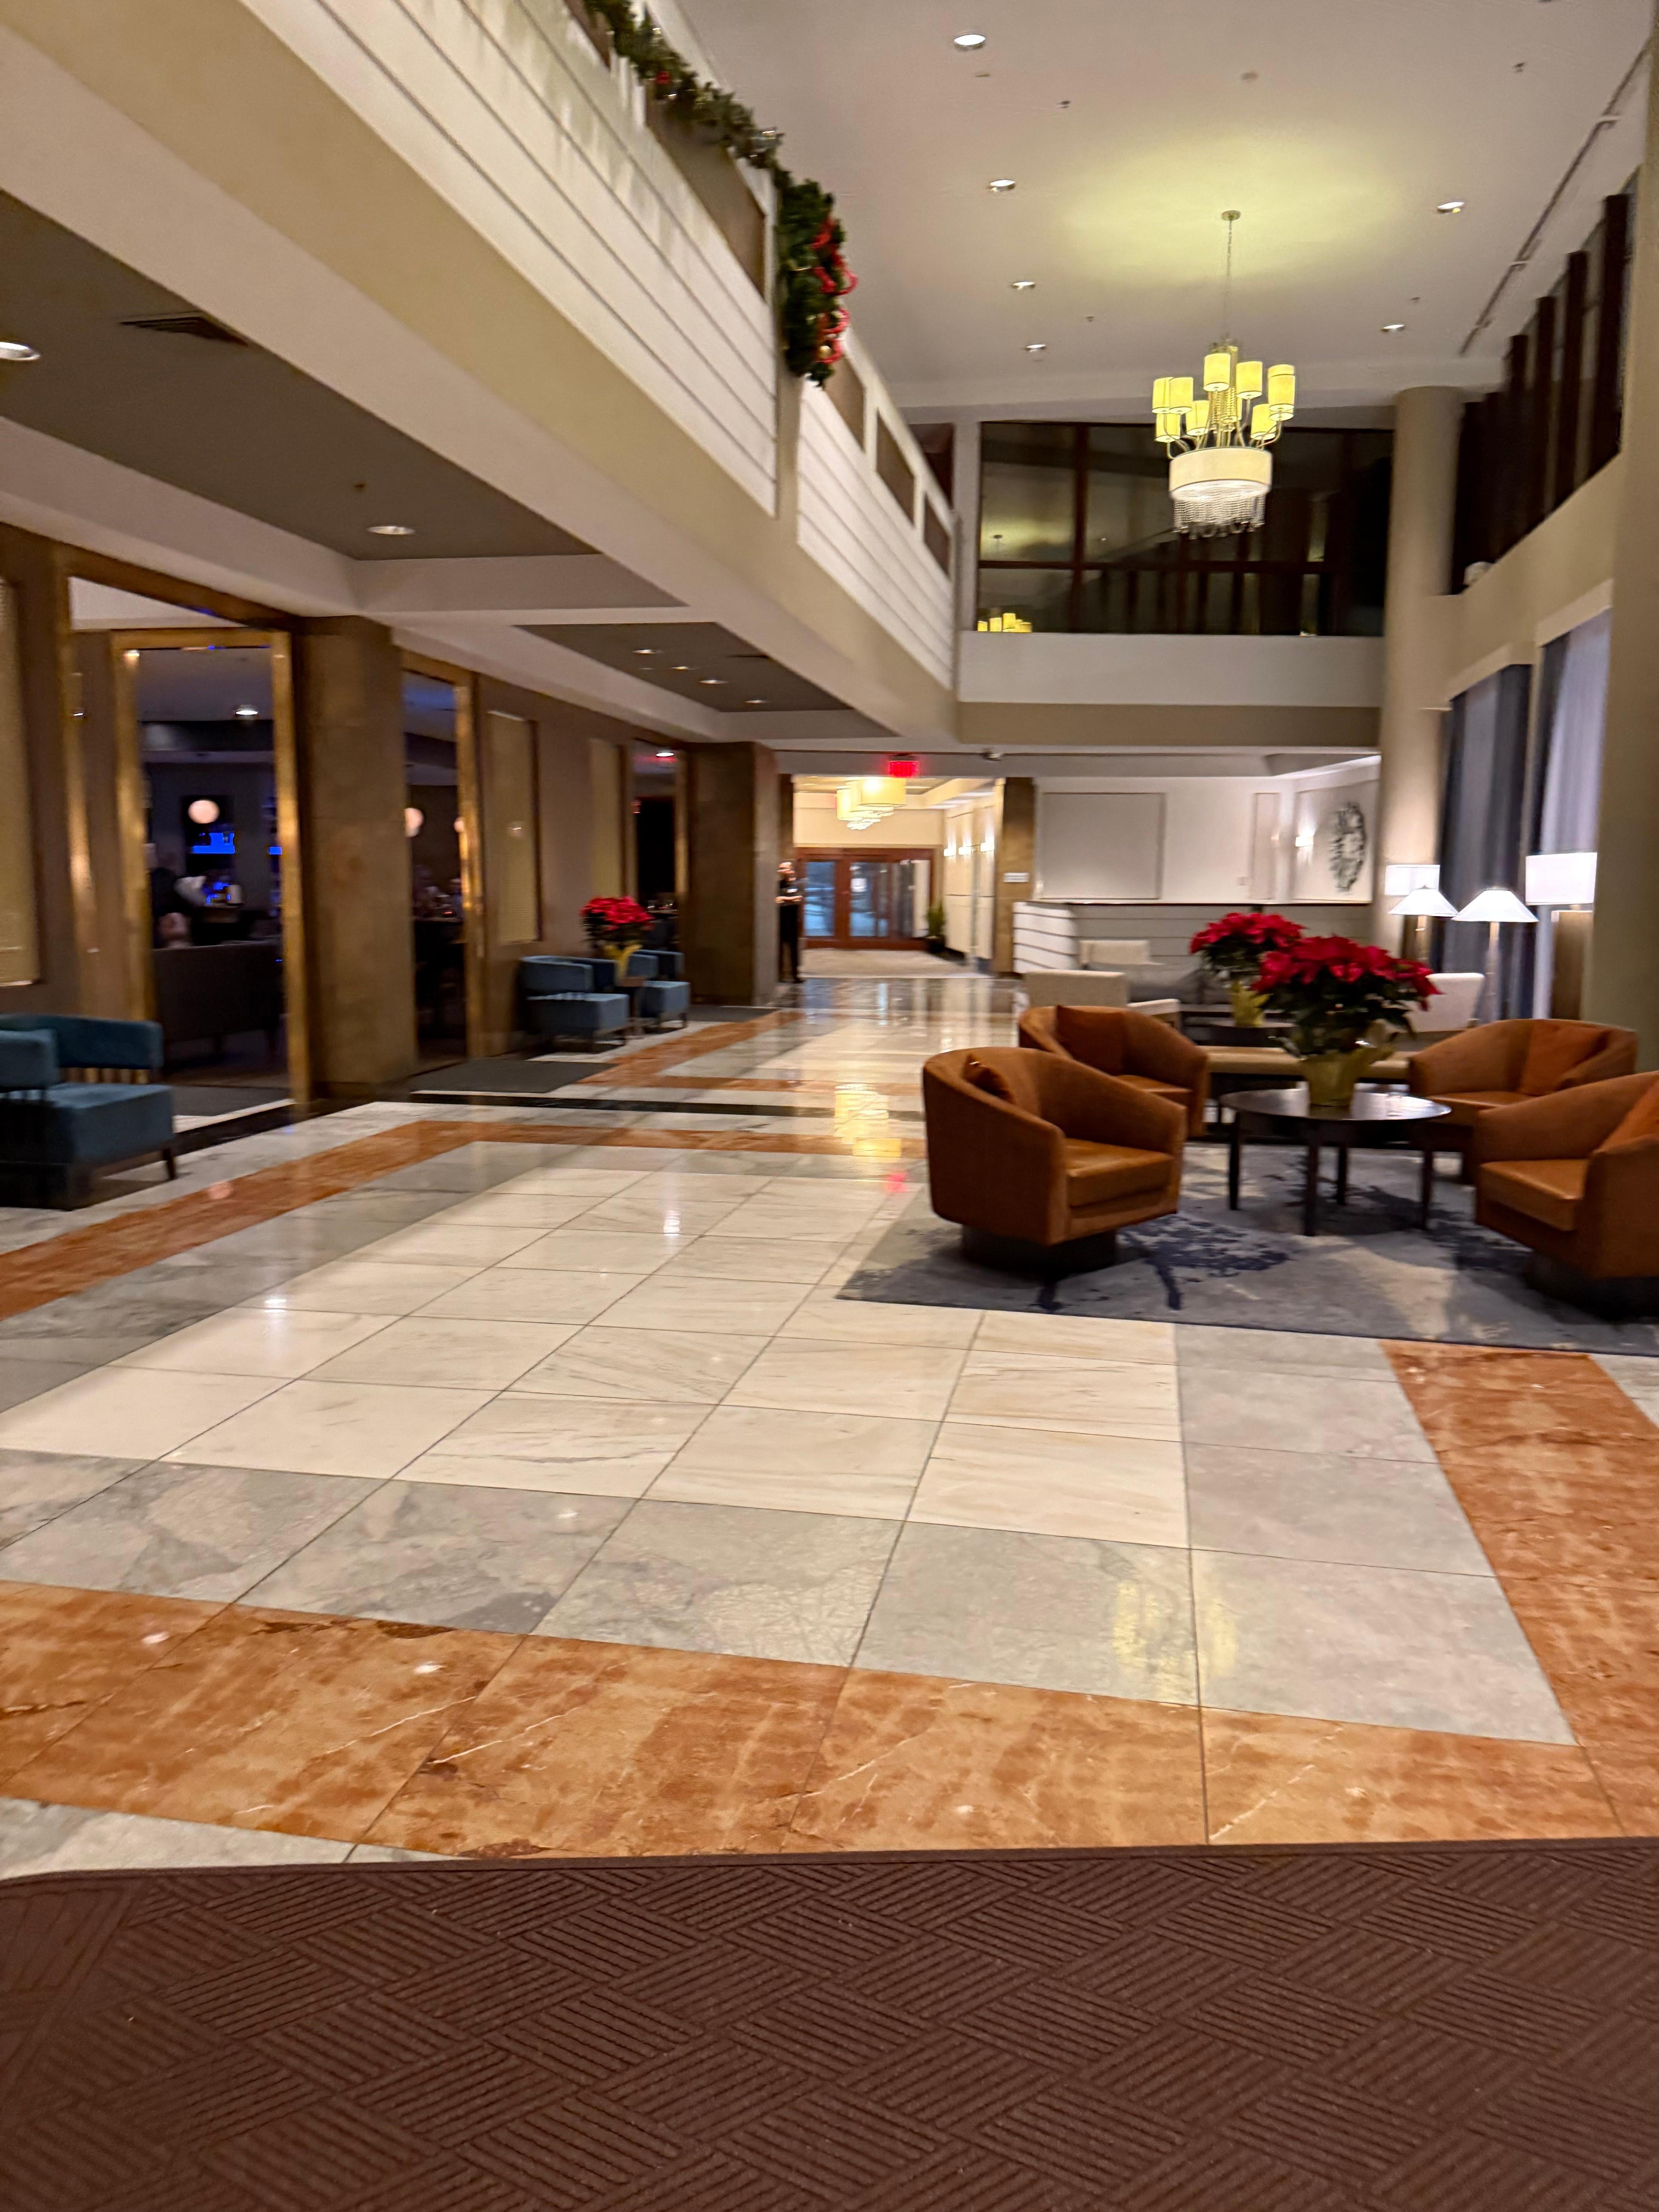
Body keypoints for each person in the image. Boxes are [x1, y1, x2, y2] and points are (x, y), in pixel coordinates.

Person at [776, 861, 803, 984]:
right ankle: (780, 976)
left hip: (793, 922)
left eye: (784, 868)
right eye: (780, 869)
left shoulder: (797, 884)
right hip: (781, 922)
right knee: (779, 950)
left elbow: (798, 899)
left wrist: (783, 899)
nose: (781, 871)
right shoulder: (778, 885)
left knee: (794, 950)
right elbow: (775, 900)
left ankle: (795, 976)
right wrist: (790, 900)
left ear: (791, 870)